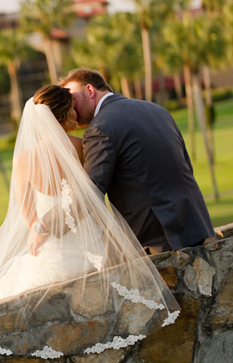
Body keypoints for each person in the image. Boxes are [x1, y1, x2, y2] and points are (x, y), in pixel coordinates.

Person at [0, 85, 179, 360]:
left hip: (52, 251)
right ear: (66, 113)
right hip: (91, 245)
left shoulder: (24, 159)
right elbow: (93, 193)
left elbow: (26, 211)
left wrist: (39, 229)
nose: (76, 112)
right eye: (72, 107)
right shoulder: (82, 147)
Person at [59, 68, 215, 253]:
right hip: (195, 225)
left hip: (157, 240)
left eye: (72, 98)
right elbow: (186, 165)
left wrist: (50, 225)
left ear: (90, 90)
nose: (71, 107)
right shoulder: (157, 110)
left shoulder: (100, 128)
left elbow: (91, 192)